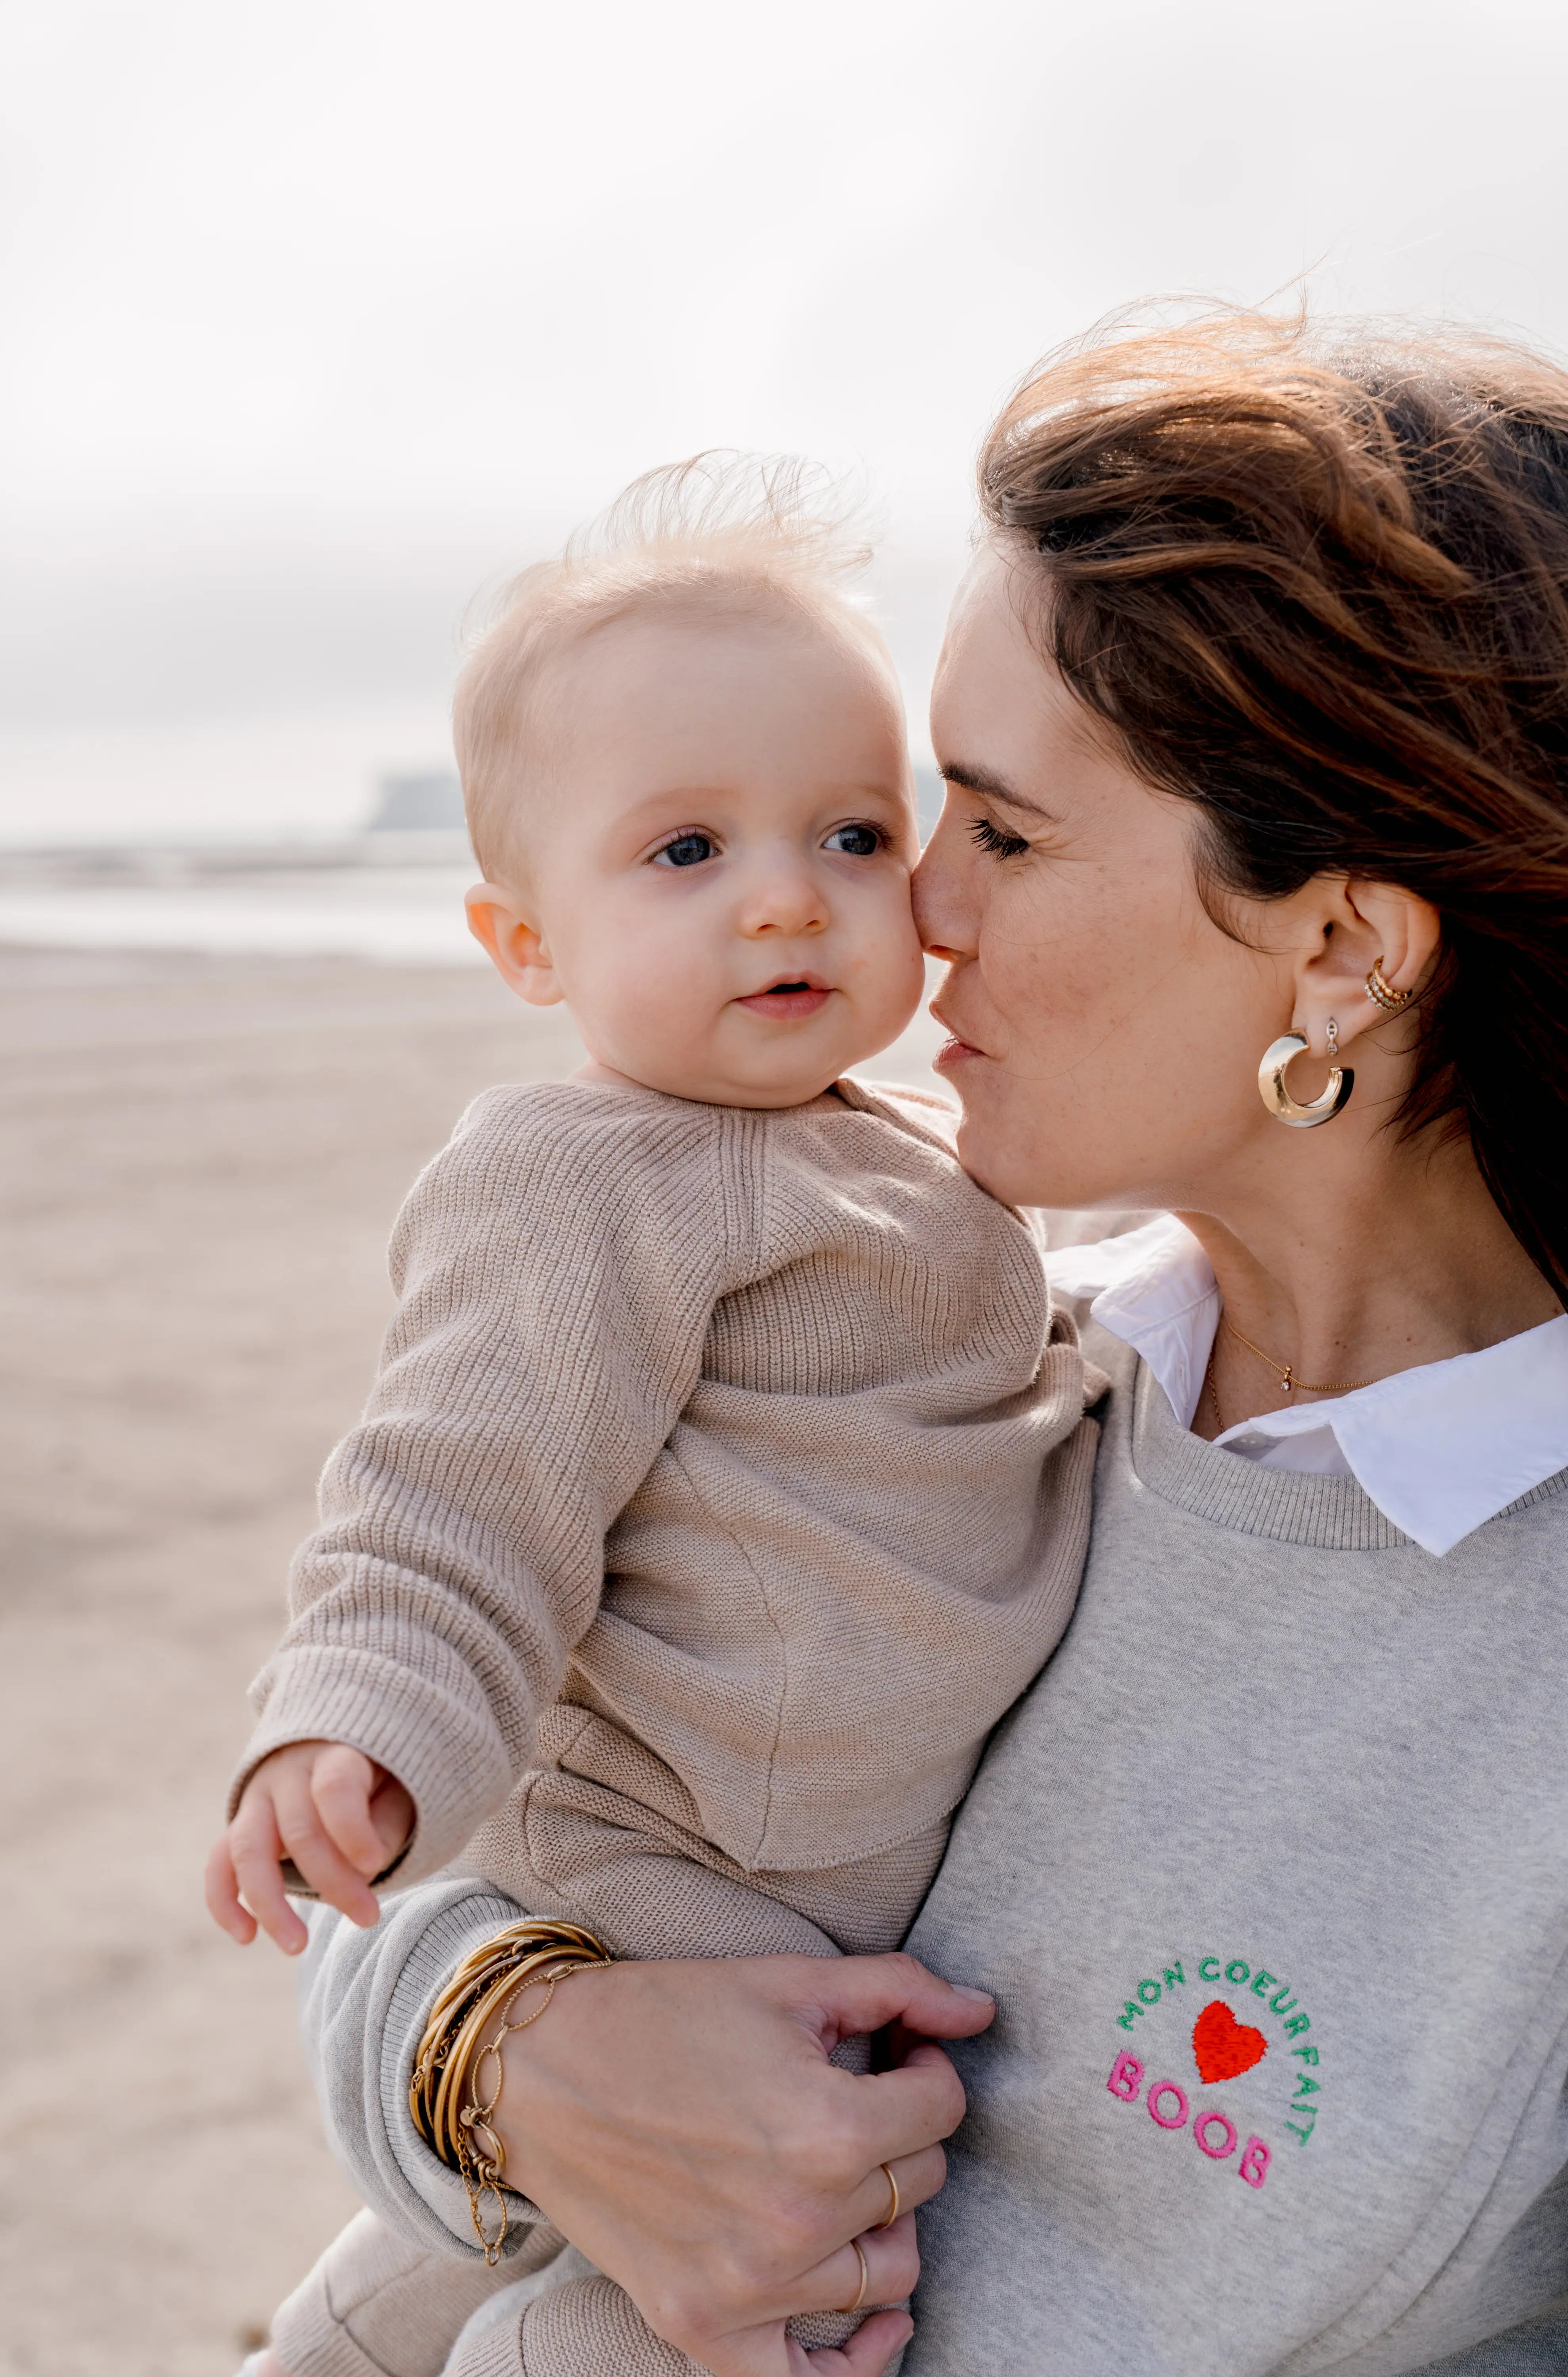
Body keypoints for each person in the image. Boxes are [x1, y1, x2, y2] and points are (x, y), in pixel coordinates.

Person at [265, 311, 1568, 2377]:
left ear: (1337, 953)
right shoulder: (980, 1371)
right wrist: (507, 2047)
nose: (914, 912)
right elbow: (429, 1828)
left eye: (993, 827)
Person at [212, 457, 1101, 2377]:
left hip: (815, 1888)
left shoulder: (922, 1158)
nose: (789, 894)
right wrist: (354, 1720)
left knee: (398, 2296)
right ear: (527, 946)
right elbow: (452, 1493)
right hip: (662, 1884)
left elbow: (1020, 1351)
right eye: (684, 852)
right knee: (658, 2325)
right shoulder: (583, 1175)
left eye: (855, 835)